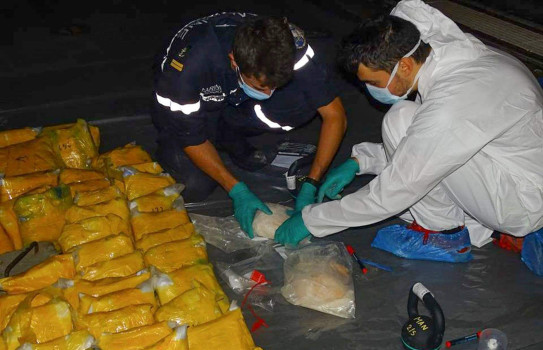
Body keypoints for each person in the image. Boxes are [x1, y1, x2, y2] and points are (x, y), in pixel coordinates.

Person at [274, 0, 543, 272]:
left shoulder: (452, 103)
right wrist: (360, 162)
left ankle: (443, 235)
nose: (371, 91)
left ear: (403, 65)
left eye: (374, 82)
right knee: (405, 120)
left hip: (520, 202)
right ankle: (456, 223)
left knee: (400, 121)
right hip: (511, 170)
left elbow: (395, 190)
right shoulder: (456, 59)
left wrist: (311, 221)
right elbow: (439, 141)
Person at [152, 12, 347, 238]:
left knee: (298, 104)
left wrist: (312, 182)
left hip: (234, 94)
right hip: (192, 102)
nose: (269, 92)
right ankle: (197, 140)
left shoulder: (289, 46)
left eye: (274, 85)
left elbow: (334, 115)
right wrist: (236, 190)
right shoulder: (186, 69)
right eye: (262, 86)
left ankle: (229, 134)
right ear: (234, 60)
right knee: (194, 184)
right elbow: (190, 137)